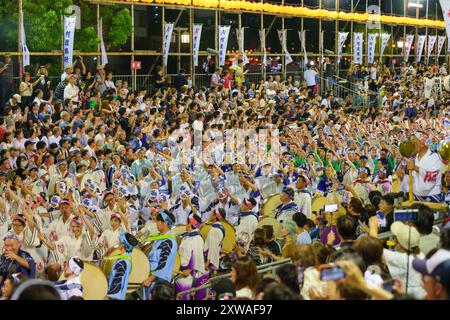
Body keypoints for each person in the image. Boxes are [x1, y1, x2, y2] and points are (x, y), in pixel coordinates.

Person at [142, 211, 178, 300]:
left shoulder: (169, 241)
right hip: (152, 281)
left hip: (159, 287)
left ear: (165, 222)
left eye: (158, 221)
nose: (156, 223)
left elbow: (163, 265)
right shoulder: (160, 238)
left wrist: (149, 279)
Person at [174, 214, 208, 300]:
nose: (185, 224)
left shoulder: (197, 238)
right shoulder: (187, 236)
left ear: (190, 224)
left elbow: (196, 255)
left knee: (183, 298)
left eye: (186, 222)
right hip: (181, 272)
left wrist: (189, 270)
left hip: (188, 275)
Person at [104, 232, 138, 300]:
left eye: (119, 242)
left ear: (123, 245)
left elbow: (118, 284)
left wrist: (108, 297)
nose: (117, 243)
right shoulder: (127, 257)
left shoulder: (123, 262)